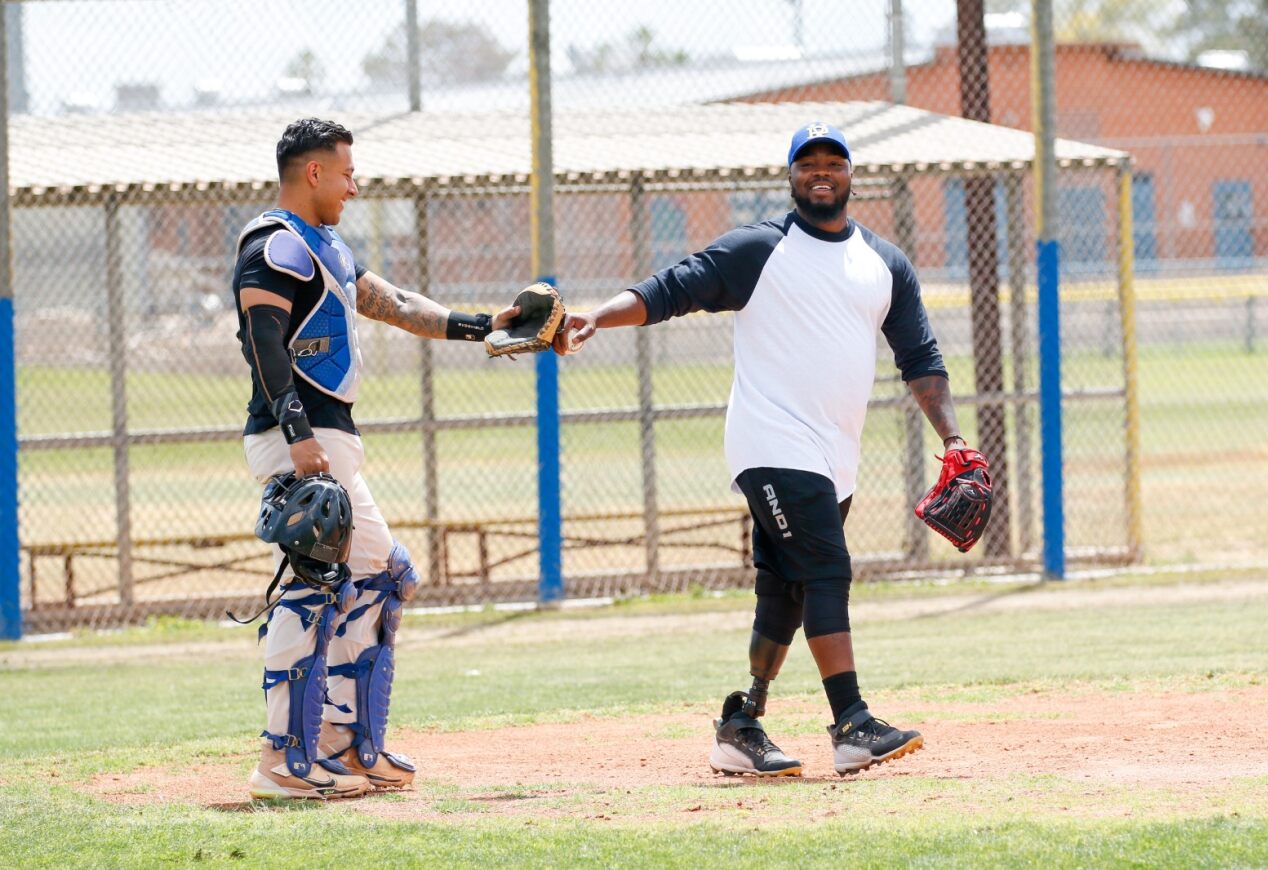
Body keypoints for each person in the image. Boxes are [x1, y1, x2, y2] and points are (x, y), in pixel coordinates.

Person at [555, 122, 976, 777]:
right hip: (771, 442)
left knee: (787, 590)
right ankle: (853, 722)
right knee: (829, 569)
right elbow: (672, 288)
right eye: (806, 161)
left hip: (836, 457)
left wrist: (952, 436)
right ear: (790, 176)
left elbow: (920, 357)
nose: (820, 169)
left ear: (849, 173)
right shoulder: (760, 248)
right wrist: (595, 319)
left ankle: (741, 724)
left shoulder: (884, 263)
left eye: (832, 159)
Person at [233, 117, 518, 799]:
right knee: (314, 587)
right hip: (300, 439)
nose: (354, 187)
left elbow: (393, 304)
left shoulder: (322, 245)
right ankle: (282, 760)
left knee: (383, 579)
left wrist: (485, 325)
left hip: (331, 439)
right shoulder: (273, 244)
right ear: (313, 173)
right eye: (347, 173)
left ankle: (344, 745)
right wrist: (297, 432)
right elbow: (262, 342)